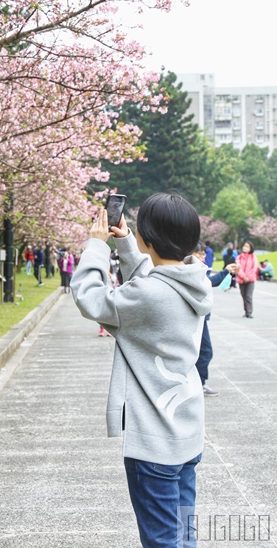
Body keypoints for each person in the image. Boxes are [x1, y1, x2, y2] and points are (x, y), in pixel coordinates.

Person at [71, 193, 212, 548]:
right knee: (183, 533)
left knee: (163, 541)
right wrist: (129, 245)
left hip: (154, 443)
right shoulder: (195, 280)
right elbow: (154, 282)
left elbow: (89, 297)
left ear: (149, 238)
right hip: (186, 433)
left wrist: (96, 246)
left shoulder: (149, 296)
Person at [193, 243, 238, 397]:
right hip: (197, 317)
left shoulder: (198, 269)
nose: (203, 257)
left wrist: (226, 272)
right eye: (199, 254)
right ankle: (199, 383)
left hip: (199, 316)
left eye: (203, 254)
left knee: (202, 351)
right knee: (205, 351)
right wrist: (225, 271)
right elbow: (207, 284)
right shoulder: (193, 270)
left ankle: (198, 382)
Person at [236, 240, 259, 318]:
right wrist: (243, 276)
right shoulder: (239, 257)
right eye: (244, 246)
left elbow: (254, 268)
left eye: (247, 246)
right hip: (241, 280)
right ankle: (246, 311)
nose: (245, 247)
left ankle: (249, 312)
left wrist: (247, 277)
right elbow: (238, 268)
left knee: (248, 296)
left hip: (250, 280)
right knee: (243, 295)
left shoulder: (253, 257)